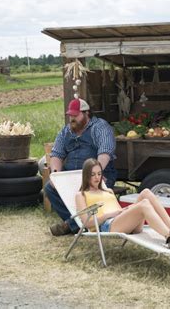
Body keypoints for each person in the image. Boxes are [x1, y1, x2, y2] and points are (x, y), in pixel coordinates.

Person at [76, 158, 170, 250]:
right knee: (144, 204)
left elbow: (119, 211)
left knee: (146, 192)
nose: (97, 177)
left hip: (121, 220)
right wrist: (110, 214)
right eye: (93, 174)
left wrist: (124, 210)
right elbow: (87, 223)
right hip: (108, 225)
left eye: (99, 173)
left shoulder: (108, 191)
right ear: (86, 176)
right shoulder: (82, 195)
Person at [46, 98, 117, 236]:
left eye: (75, 115)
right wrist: (55, 175)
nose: (72, 118)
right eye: (70, 115)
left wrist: (97, 175)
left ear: (86, 113)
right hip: (71, 174)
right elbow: (56, 154)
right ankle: (78, 225)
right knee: (50, 187)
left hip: (98, 171)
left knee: (88, 190)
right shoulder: (66, 131)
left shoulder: (100, 127)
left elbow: (105, 152)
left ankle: (72, 225)